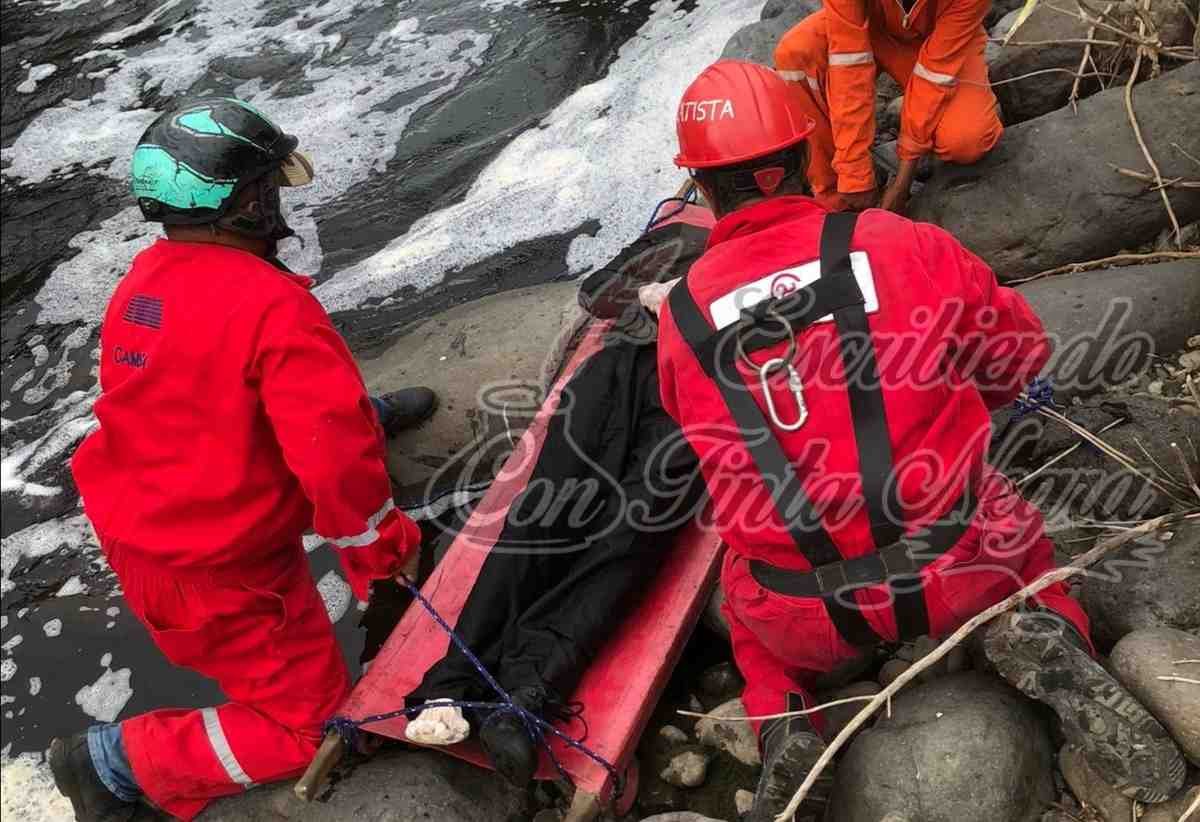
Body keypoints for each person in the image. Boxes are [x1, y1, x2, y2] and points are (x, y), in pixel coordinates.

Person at [653, 61, 1184, 821]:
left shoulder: (681, 315)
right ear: (807, 157)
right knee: (1027, 556)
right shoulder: (895, 240)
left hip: (807, 611)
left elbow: (709, 440)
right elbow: (1018, 357)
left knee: (752, 629)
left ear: (702, 188)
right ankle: (1042, 624)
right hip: (957, 561)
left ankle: (788, 716)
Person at [52, 98, 438, 822]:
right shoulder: (272, 306)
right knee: (314, 730)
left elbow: (184, 395)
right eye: (272, 187)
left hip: (146, 532)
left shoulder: (142, 285)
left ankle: (360, 416)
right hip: (223, 573)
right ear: (248, 204)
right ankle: (111, 763)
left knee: (317, 417)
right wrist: (384, 556)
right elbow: (335, 477)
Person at [401, 200, 711, 786]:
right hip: (618, 370)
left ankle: (529, 696)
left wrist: (703, 306)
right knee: (544, 513)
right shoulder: (680, 230)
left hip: (696, 386)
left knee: (633, 535)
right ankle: (451, 685)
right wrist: (653, 291)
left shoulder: (787, 255)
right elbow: (597, 293)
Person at [774, 0, 1003, 212]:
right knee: (796, 53)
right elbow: (849, 71)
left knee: (966, 141)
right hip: (865, 27)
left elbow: (934, 76)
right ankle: (834, 197)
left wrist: (902, 183)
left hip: (946, 42)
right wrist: (855, 173)